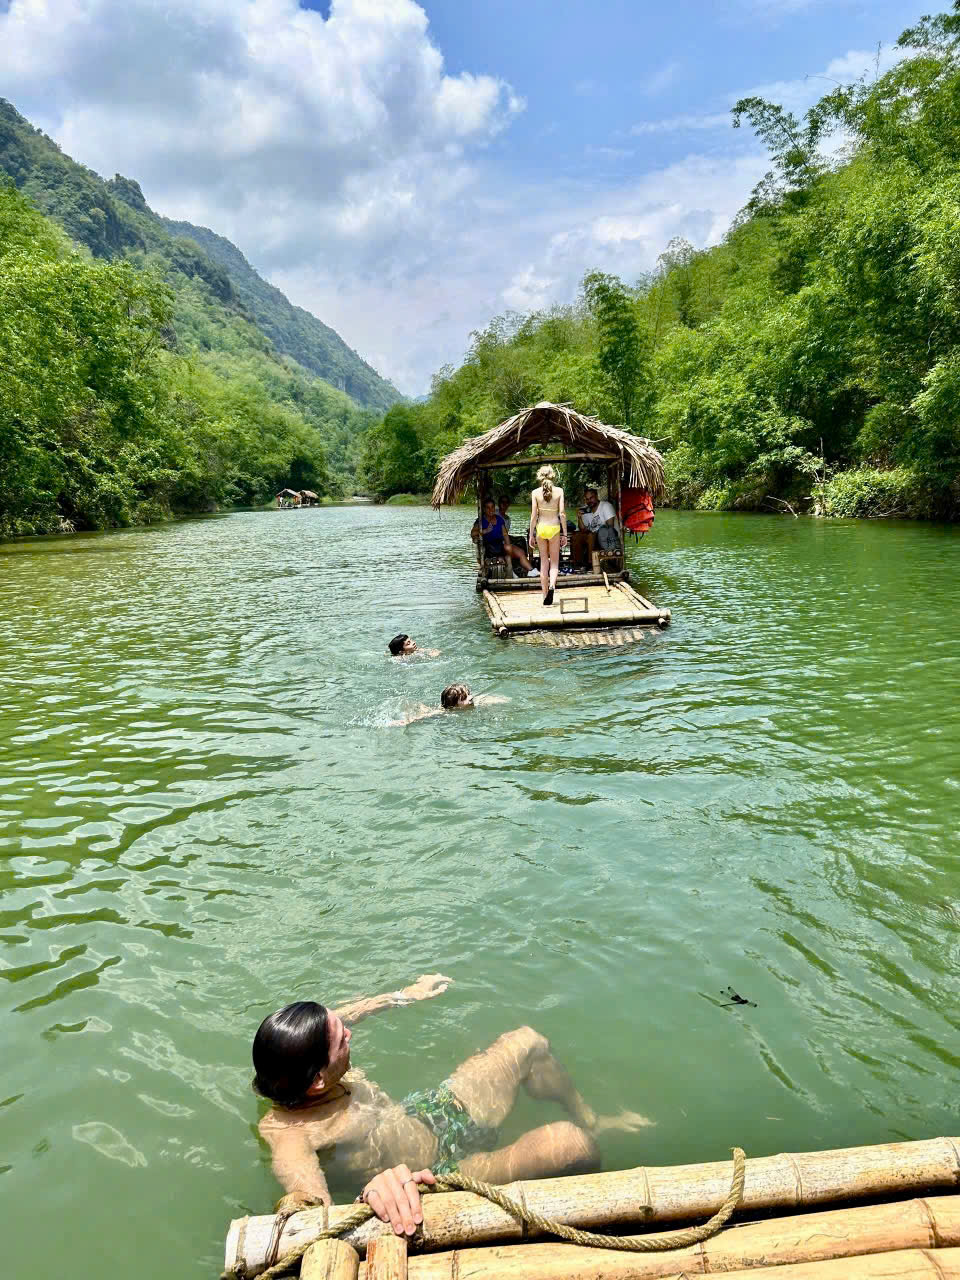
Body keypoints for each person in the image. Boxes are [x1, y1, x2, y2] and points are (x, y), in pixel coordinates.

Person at [253, 977, 652, 1234]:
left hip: (429, 1111)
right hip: (435, 1174)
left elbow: (344, 1014)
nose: (350, 1034)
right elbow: (307, 1212)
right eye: (342, 1040)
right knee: (571, 1144)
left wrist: (403, 996)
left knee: (527, 1042)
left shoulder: (304, 1065)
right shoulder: (290, 1134)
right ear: (318, 1080)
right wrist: (371, 1192)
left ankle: (592, 1117)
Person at [529, 465, 566, 606]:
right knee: (554, 563)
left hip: (541, 528)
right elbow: (562, 513)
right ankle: (552, 587)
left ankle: (545, 595)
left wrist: (532, 534)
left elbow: (534, 515)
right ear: (553, 475)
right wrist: (564, 533)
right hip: (555, 528)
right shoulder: (559, 491)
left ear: (539, 476)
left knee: (544, 562)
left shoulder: (535, 493)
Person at [387, 683, 509, 726]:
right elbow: (422, 718)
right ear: (454, 706)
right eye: (465, 698)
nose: (471, 698)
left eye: (469, 694)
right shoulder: (447, 712)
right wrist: (406, 721)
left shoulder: (474, 701)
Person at [471, 497, 532, 576]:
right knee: (508, 551)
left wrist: (508, 544)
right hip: (490, 548)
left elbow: (505, 534)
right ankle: (512, 570)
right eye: (488, 508)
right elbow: (473, 533)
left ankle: (531, 570)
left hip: (500, 546)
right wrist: (485, 531)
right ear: (484, 509)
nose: (491, 509)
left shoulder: (499, 519)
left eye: (492, 507)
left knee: (520, 551)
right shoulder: (481, 521)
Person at [572, 488, 620, 569]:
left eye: (591, 498)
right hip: (592, 538)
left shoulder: (606, 506)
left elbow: (610, 526)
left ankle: (591, 564)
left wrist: (595, 533)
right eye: (587, 499)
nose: (589, 501)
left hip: (608, 537)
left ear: (597, 496)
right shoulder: (586, 510)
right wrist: (579, 518)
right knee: (576, 536)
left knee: (591, 535)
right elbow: (583, 530)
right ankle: (579, 564)